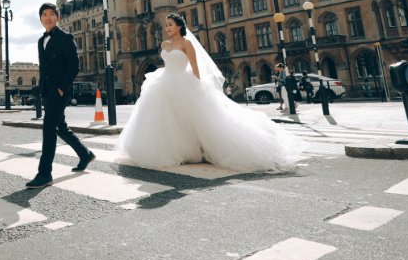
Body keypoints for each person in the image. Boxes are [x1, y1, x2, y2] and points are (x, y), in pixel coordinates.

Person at [115, 13, 301, 173]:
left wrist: (198, 86)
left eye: (170, 24)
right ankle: (177, 149)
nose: (167, 27)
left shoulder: (187, 44)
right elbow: (167, 64)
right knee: (166, 119)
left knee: (194, 118)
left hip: (183, 81)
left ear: (179, 26)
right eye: (166, 25)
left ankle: (200, 148)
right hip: (165, 81)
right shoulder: (164, 44)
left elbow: (196, 68)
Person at [26, 3, 95, 189]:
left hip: (60, 92)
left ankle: (44, 173)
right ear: (40, 18)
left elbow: (74, 66)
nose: (48, 18)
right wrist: (42, 90)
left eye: (51, 14)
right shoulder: (41, 41)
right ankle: (85, 154)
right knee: (60, 127)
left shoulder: (66, 38)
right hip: (48, 92)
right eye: (44, 15)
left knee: (48, 128)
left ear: (58, 17)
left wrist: (62, 88)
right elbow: (44, 68)